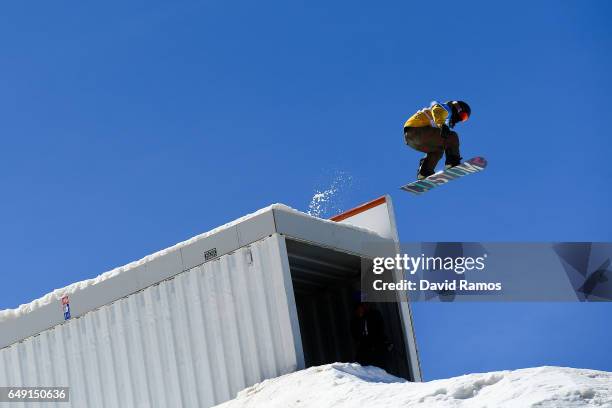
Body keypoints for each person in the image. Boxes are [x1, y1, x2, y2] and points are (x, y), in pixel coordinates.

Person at [403, 100, 471, 180]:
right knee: (452, 137)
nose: (460, 119)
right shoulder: (447, 108)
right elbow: (437, 110)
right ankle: (452, 163)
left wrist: (442, 125)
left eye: (464, 119)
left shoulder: (443, 119)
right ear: (458, 109)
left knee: (438, 149)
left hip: (410, 137)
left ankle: (424, 172)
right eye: (463, 116)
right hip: (418, 130)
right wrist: (441, 125)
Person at [350, 302, 388, 368]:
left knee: (379, 365)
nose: (360, 310)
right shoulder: (355, 319)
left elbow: (379, 329)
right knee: (360, 363)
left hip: (376, 344)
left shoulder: (374, 314)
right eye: (359, 308)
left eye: (363, 306)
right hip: (364, 344)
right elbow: (355, 333)